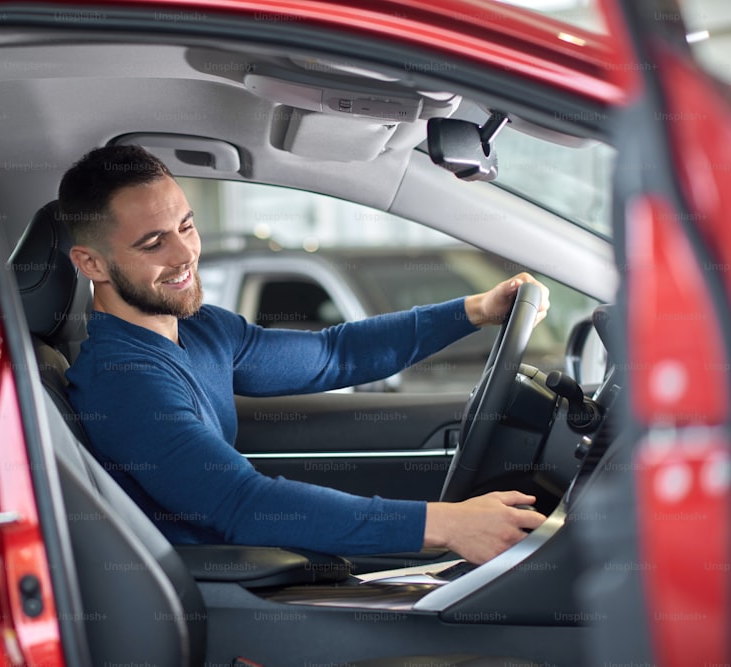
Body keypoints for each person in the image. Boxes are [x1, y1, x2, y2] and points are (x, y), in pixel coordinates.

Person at [60, 145, 549, 564]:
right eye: (153, 243)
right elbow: (243, 505)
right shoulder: (121, 379)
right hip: (213, 593)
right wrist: (447, 524)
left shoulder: (203, 330)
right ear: (92, 263)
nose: (184, 254)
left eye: (186, 226)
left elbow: (334, 354)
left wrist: (475, 310)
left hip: (251, 568)